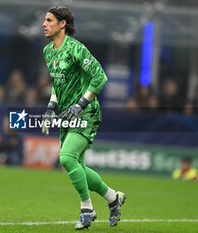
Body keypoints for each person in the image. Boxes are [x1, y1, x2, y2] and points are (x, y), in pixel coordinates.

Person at [41, 7, 126, 230]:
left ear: (62, 24)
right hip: (66, 114)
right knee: (77, 166)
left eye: (49, 20)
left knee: (66, 158)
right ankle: (112, 198)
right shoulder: (48, 51)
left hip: (85, 112)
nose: (44, 24)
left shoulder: (76, 48)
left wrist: (81, 104)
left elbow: (100, 77)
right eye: (44, 20)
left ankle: (87, 209)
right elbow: (57, 82)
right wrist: (51, 107)